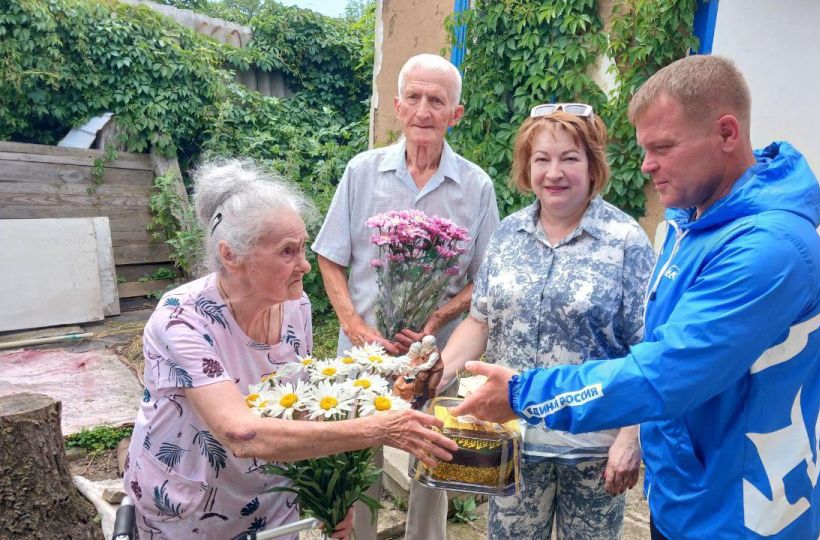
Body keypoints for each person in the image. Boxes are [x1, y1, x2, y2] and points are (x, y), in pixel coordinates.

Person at [451, 55, 820, 539]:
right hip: (687, 496)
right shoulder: (691, 223)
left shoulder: (768, 249)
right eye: (643, 147)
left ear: (726, 134)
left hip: (741, 513)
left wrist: (523, 394)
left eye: (663, 147)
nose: (646, 164)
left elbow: (663, 372)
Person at [123, 160, 457, 540]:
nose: (305, 266)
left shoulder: (295, 308)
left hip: (271, 508)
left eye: (302, 248)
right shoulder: (182, 319)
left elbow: (300, 407)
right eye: (287, 252)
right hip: (191, 513)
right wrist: (378, 429)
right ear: (231, 256)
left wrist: (332, 494)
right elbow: (241, 433)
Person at [438, 105, 655, 538]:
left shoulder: (626, 240)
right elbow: (480, 322)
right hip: (514, 445)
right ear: (527, 167)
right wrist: (436, 370)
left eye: (569, 158)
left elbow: (648, 351)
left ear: (593, 166)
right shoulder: (507, 236)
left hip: (594, 450)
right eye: (542, 159)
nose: (554, 172)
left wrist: (632, 439)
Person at [312, 53, 499, 540]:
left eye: (436, 101)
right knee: (358, 464)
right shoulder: (362, 172)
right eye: (414, 97)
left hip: (438, 360)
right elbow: (329, 256)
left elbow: (487, 279)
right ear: (397, 106)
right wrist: (354, 326)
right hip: (362, 354)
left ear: (455, 114)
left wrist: (438, 318)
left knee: (434, 463)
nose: (424, 110)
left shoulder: (476, 187)